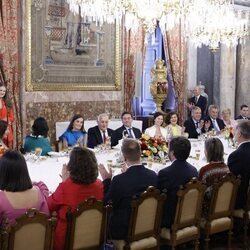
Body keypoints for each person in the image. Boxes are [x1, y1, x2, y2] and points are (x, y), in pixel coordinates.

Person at [99, 138, 157, 239]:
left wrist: (107, 181)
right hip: (150, 226)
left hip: (124, 232)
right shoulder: (153, 176)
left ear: (124, 156)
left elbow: (107, 203)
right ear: (140, 153)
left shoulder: (119, 180)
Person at [48, 147, 103, 250]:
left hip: (67, 241)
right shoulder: (99, 185)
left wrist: (64, 182)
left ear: (72, 167)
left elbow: (49, 205)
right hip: (93, 236)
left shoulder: (66, 187)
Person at [158, 136, 198, 228]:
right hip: (189, 216)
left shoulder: (165, 173)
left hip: (171, 220)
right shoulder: (194, 170)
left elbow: (161, 198)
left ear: (172, 153)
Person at [0, 150, 49, 224]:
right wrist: (23, 180)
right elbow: (41, 184)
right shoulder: (40, 192)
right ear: (24, 170)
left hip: (11, 235)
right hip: (40, 235)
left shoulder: (1, 200)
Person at [228, 120, 250, 209]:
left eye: (235, 131)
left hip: (239, 200)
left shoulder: (236, 155)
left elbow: (229, 180)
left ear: (239, 134)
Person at [0, 83, 14, 148]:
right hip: (0, 129)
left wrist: (7, 120)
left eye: (4, 91)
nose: (2, 92)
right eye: (0, 90)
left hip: (7, 129)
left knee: (8, 150)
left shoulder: (7, 102)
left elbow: (12, 118)